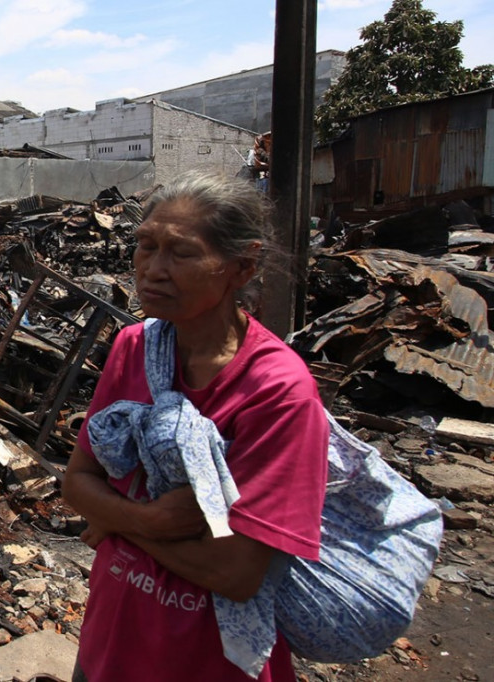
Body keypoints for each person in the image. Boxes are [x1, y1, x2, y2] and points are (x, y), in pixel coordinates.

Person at [62, 171, 329, 681]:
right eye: (145, 246)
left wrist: (115, 521)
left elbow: (234, 572)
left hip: (205, 660)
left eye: (180, 253)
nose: (153, 270)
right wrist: (154, 521)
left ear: (242, 266)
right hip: (111, 639)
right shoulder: (135, 347)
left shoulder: (276, 390)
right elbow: (76, 482)